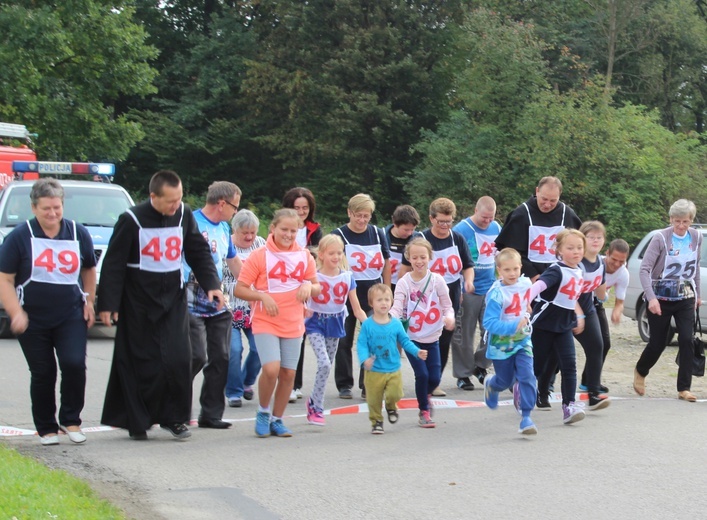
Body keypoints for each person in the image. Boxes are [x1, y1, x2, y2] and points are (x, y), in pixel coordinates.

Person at [98, 170, 224, 441]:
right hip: (138, 302)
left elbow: (197, 250)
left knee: (180, 359)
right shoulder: (130, 220)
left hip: (173, 300)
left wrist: (211, 283)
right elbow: (114, 265)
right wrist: (108, 304)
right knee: (141, 363)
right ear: (153, 196)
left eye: (179, 199)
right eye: (170, 201)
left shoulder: (183, 214)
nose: (175, 205)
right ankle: (137, 421)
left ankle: (175, 419)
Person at [0, 178, 96, 446]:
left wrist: (89, 301)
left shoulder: (78, 233)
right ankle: (46, 427)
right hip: (33, 317)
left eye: (57, 207)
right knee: (43, 372)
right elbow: (4, 279)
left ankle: (71, 420)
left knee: (74, 363)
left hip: (70, 314)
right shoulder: (19, 237)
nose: (52, 214)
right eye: (46, 209)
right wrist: (15, 312)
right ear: (34, 208)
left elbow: (89, 269)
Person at [234, 208, 320, 437]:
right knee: (271, 369)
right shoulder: (259, 255)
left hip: (293, 322)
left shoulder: (304, 256)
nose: (289, 234)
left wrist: (308, 286)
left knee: (288, 374)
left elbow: (317, 286)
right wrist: (261, 296)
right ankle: (263, 411)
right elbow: (240, 288)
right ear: (273, 229)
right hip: (266, 320)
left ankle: (277, 419)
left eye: (294, 231)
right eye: (284, 229)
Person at [400, 198, 474, 396]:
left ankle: (434, 382)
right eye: (440, 221)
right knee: (421, 340)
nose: (444, 225)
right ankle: (422, 377)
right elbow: (405, 269)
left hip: (449, 298)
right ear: (431, 219)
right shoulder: (420, 240)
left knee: (443, 340)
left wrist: (468, 281)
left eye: (448, 221)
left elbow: (468, 266)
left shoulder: (457, 239)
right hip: (422, 299)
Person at [185, 181, 242, 429]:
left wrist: (255, 287)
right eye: (234, 207)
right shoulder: (190, 222)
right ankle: (175, 410)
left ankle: (211, 414)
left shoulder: (224, 227)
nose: (235, 212)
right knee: (195, 356)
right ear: (222, 203)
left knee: (221, 356)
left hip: (216, 299)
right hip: (189, 297)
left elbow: (232, 260)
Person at [634, 199, 702, 401]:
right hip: (660, 297)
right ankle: (641, 370)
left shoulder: (696, 237)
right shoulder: (660, 238)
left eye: (685, 221)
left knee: (687, 340)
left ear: (691, 221)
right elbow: (645, 270)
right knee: (657, 342)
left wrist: (697, 293)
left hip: (685, 297)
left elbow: (695, 266)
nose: (681, 226)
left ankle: (684, 388)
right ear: (671, 219)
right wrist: (651, 298)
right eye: (677, 221)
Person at [332, 194, 391, 399]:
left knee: (373, 337)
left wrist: (387, 289)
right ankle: (344, 384)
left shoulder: (376, 233)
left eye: (366, 216)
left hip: (373, 294)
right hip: (346, 295)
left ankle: (368, 383)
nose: (362, 220)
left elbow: (386, 262)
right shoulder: (339, 235)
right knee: (344, 340)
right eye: (358, 215)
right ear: (349, 213)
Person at [391, 238, 455, 428]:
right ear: (408, 259)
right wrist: (389, 321)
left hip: (433, 337)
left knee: (434, 378)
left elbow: (447, 306)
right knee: (422, 375)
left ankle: (425, 396)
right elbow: (396, 308)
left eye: (423, 257)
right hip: (411, 339)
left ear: (430, 258)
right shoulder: (404, 283)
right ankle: (424, 411)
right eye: (415, 257)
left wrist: (449, 317)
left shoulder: (437, 280)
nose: (419, 261)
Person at [304, 235, 367, 426]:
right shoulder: (314, 276)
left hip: (336, 322)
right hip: (315, 322)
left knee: (326, 365)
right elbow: (303, 298)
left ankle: (313, 401)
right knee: (324, 363)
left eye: (339, 253)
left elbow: (356, 308)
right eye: (331, 253)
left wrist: (371, 325)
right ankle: (317, 408)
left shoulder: (347, 277)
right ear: (321, 255)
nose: (336, 256)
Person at [528, 229, 586, 424]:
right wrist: (525, 302)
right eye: (570, 248)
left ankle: (569, 406)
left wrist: (579, 315)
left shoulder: (579, 270)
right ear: (559, 250)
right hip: (544, 324)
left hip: (563, 326)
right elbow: (538, 286)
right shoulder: (556, 269)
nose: (576, 251)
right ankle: (524, 390)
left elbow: (573, 298)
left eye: (579, 247)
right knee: (537, 366)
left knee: (569, 365)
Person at [357, 284, 428, 434]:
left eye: (387, 300)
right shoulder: (367, 325)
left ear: (392, 302)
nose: (383, 303)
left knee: (395, 393)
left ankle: (390, 406)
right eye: (379, 300)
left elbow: (405, 341)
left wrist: (417, 352)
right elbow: (361, 344)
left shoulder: (396, 324)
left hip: (393, 368)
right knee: (374, 400)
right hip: (374, 371)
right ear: (371, 303)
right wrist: (364, 359)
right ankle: (377, 421)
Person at [482, 248, 537, 435]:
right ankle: (492, 385)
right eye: (507, 270)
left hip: (522, 341)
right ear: (499, 270)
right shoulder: (496, 294)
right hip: (501, 345)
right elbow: (489, 323)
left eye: (515, 269)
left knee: (527, 374)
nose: (512, 273)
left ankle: (526, 416)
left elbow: (527, 303)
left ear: (521, 267)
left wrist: (528, 311)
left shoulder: (525, 283)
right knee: (505, 381)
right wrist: (514, 325)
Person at [451, 196, 501, 390]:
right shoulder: (461, 230)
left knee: (492, 330)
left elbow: (501, 252)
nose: (487, 221)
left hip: (490, 286)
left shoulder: (496, 228)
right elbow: (453, 260)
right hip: (468, 289)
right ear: (475, 210)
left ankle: (481, 365)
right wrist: (460, 287)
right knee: (463, 334)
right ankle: (463, 374)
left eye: (491, 218)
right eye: (484, 218)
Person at [495, 176, 582, 281]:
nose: (547, 205)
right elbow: (511, 250)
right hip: (527, 279)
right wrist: (533, 276)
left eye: (553, 201)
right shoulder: (521, 214)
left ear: (559, 196)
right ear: (537, 191)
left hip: (560, 278)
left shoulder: (567, 214)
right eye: (544, 199)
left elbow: (579, 246)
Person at [223, 210, 266, 408]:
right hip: (229, 306)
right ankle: (233, 392)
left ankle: (247, 381)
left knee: (260, 348)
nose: (249, 237)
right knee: (234, 350)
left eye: (252, 232)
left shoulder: (261, 244)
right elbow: (216, 276)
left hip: (255, 307)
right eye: (244, 233)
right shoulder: (225, 244)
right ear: (235, 230)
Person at [282, 187, 322, 402]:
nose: (300, 212)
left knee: (299, 335)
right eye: (296, 208)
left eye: (305, 208)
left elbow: (316, 256)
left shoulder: (315, 229)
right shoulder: (280, 229)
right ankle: (282, 379)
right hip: (282, 286)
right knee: (283, 335)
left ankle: (294, 384)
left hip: (305, 285)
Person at [573, 221, 610, 410]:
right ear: (582, 239)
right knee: (554, 356)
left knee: (598, 346)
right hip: (566, 309)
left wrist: (607, 298)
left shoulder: (601, 261)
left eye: (599, 237)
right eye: (591, 237)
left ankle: (593, 393)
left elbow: (600, 287)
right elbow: (568, 294)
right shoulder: (577, 263)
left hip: (587, 307)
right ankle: (538, 387)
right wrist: (577, 315)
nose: (595, 240)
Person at [590, 238, 630, 389]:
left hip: (597, 304)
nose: (617, 264)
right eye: (614, 259)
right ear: (606, 253)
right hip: (579, 301)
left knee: (604, 343)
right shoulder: (595, 263)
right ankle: (548, 378)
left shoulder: (623, 273)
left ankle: (590, 381)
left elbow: (620, 301)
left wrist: (616, 312)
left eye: (622, 261)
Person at [384, 204, 422, 294]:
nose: (409, 233)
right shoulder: (382, 236)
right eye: (406, 230)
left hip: (408, 287)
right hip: (386, 285)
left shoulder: (417, 237)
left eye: (412, 229)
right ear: (395, 224)